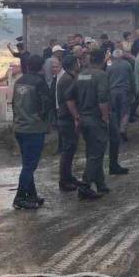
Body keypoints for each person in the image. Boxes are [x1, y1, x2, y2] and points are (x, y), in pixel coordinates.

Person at [71, 47, 113, 200]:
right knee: (96, 154)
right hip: (96, 119)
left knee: (92, 152)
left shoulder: (81, 75)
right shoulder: (101, 75)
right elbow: (103, 99)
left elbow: (69, 97)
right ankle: (85, 185)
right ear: (103, 60)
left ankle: (100, 183)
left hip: (83, 119)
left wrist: (76, 116)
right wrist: (105, 117)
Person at [11, 53, 53, 210]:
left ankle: (32, 194)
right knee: (30, 165)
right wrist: (44, 120)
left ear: (27, 66)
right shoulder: (40, 83)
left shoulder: (19, 81)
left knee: (27, 163)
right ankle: (20, 197)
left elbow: (14, 103)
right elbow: (46, 105)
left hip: (19, 127)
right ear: (42, 67)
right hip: (34, 128)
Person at [55, 54, 83, 191]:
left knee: (71, 149)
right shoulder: (67, 80)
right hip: (67, 118)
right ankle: (64, 180)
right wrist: (76, 117)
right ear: (73, 64)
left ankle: (68, 176)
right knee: (68, 149)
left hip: (67, 118)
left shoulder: (68, 78)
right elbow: (69, 100)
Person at [108, 48, 135, 143]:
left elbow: (107, 80)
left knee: (115, 112)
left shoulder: (109, 66)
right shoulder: (127, 65)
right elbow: (132, 79)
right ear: (122, 56)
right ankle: (123, 129)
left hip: (112, 91)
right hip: (125, 91)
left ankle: (115, 131)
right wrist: (133, 91)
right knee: (126, 111)